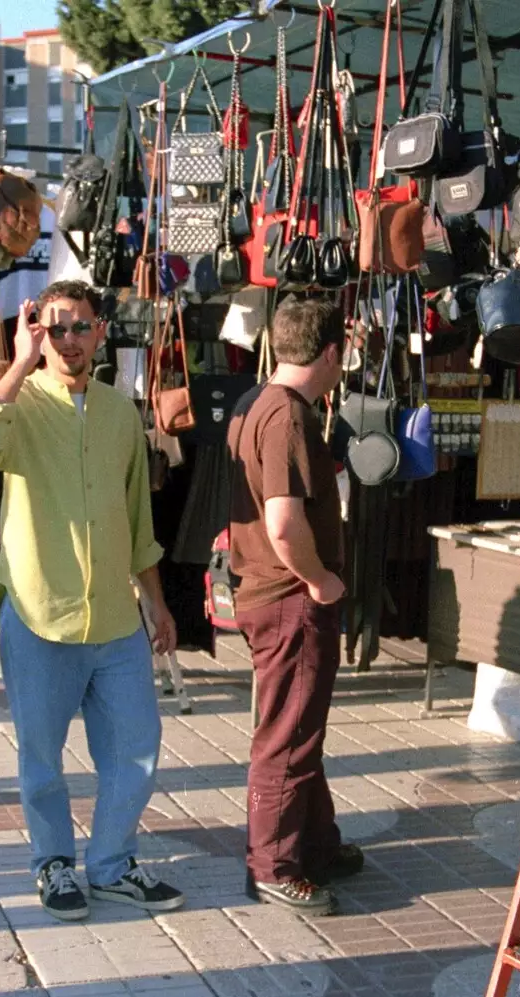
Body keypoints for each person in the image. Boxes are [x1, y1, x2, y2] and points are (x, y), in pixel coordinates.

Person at [0, 279, 184, 922]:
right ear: (39, 333)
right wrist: (18, 362)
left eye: (81, 326)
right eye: (57, 328)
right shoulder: (17, 401)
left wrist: (156, 605)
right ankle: (52, 864)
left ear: (101, 331)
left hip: (113, 615)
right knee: (41, 757)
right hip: (37, 610)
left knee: (137, 743)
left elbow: (139, 520)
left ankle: (110, 864)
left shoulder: (118, 411)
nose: (70, 340)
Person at [226, 296, 363, 918]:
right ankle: (275, 866)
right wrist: (316, 580)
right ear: (330, 352)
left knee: (299, 726)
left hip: (265, 590)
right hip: (287, 598)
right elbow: (283, 522)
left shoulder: (254, 402)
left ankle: (315, 842)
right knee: (287, 734)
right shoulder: (285, 416)